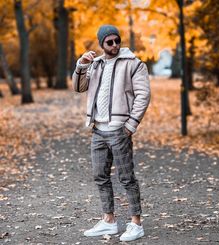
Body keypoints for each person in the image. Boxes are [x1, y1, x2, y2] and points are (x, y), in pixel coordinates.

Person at [72, 24, 151, 242]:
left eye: (117, 41)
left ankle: (136, 223)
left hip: (119, 131)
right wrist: (81, 65)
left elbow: (143, 95)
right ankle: (109, 220)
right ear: (102, 44)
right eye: (110, 42)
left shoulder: (134, 64)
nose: (115, 45)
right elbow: (79, 88)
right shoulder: (95, 64)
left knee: (127, 178)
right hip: (98, 130)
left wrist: (130, 126)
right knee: (100, 176)